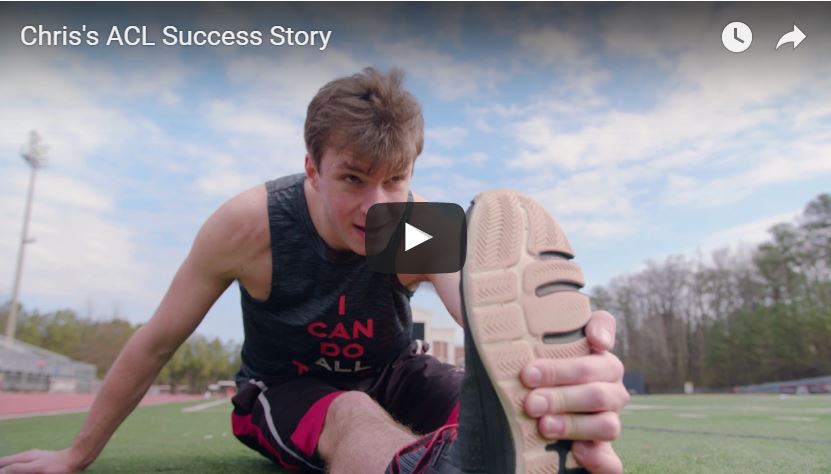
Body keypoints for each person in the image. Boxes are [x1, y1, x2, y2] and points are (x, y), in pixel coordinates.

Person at [0, 68, 628, 474]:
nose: (376, 205)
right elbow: (156, 342)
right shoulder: (250, 226)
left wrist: (562, 362)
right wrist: (75, 455)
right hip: (283, 388)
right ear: (312, 167)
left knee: (479, 396)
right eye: (353, 179)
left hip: (394, 371)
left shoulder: (409, 223)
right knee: (349, 409)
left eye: (396, 180)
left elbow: (491, 320)